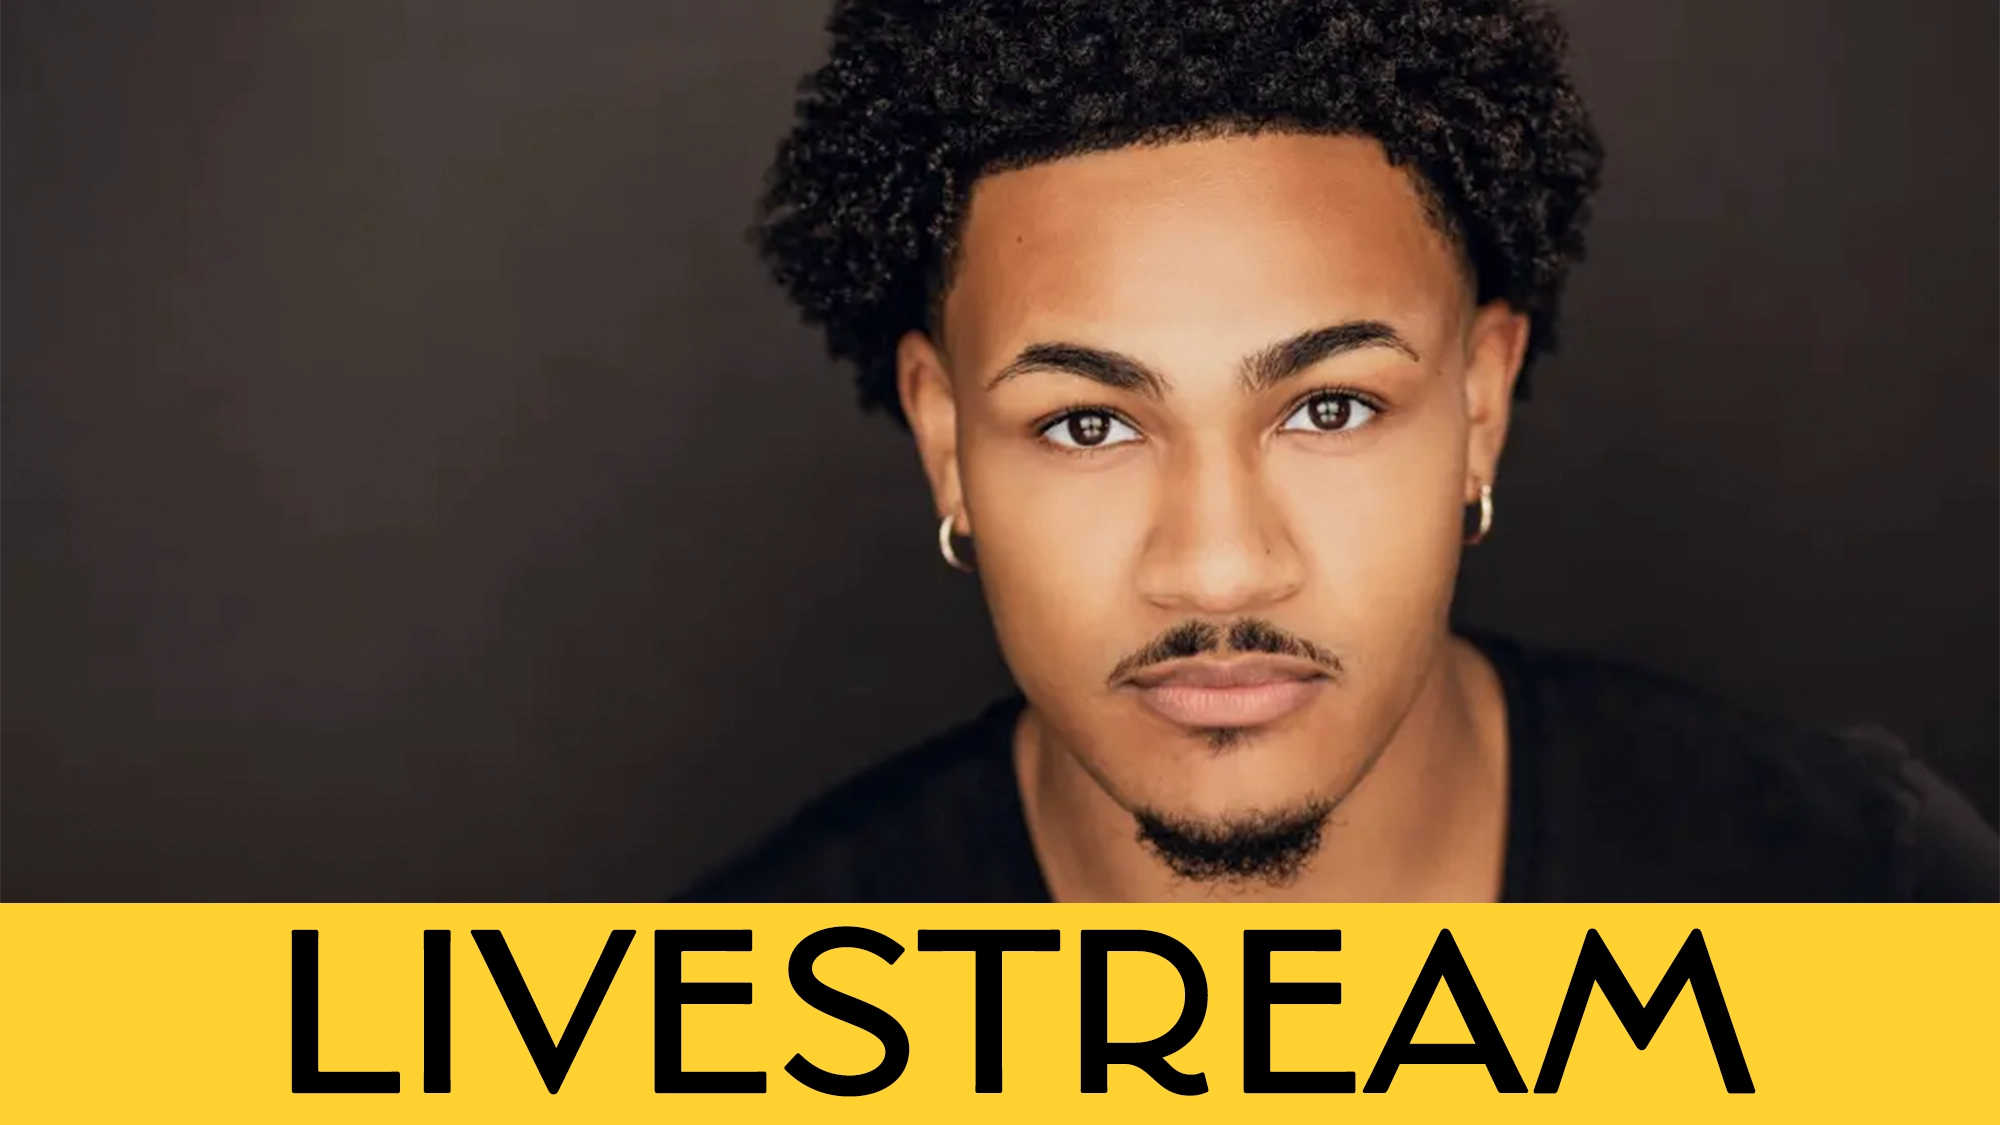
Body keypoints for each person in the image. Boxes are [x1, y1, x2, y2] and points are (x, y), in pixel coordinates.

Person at [681, 0, 2000, 902]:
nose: (1217, 572)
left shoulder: (1859, 891)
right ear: (947, 441)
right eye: (1089, 424)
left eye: (1329, 408)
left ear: (1481, 405)